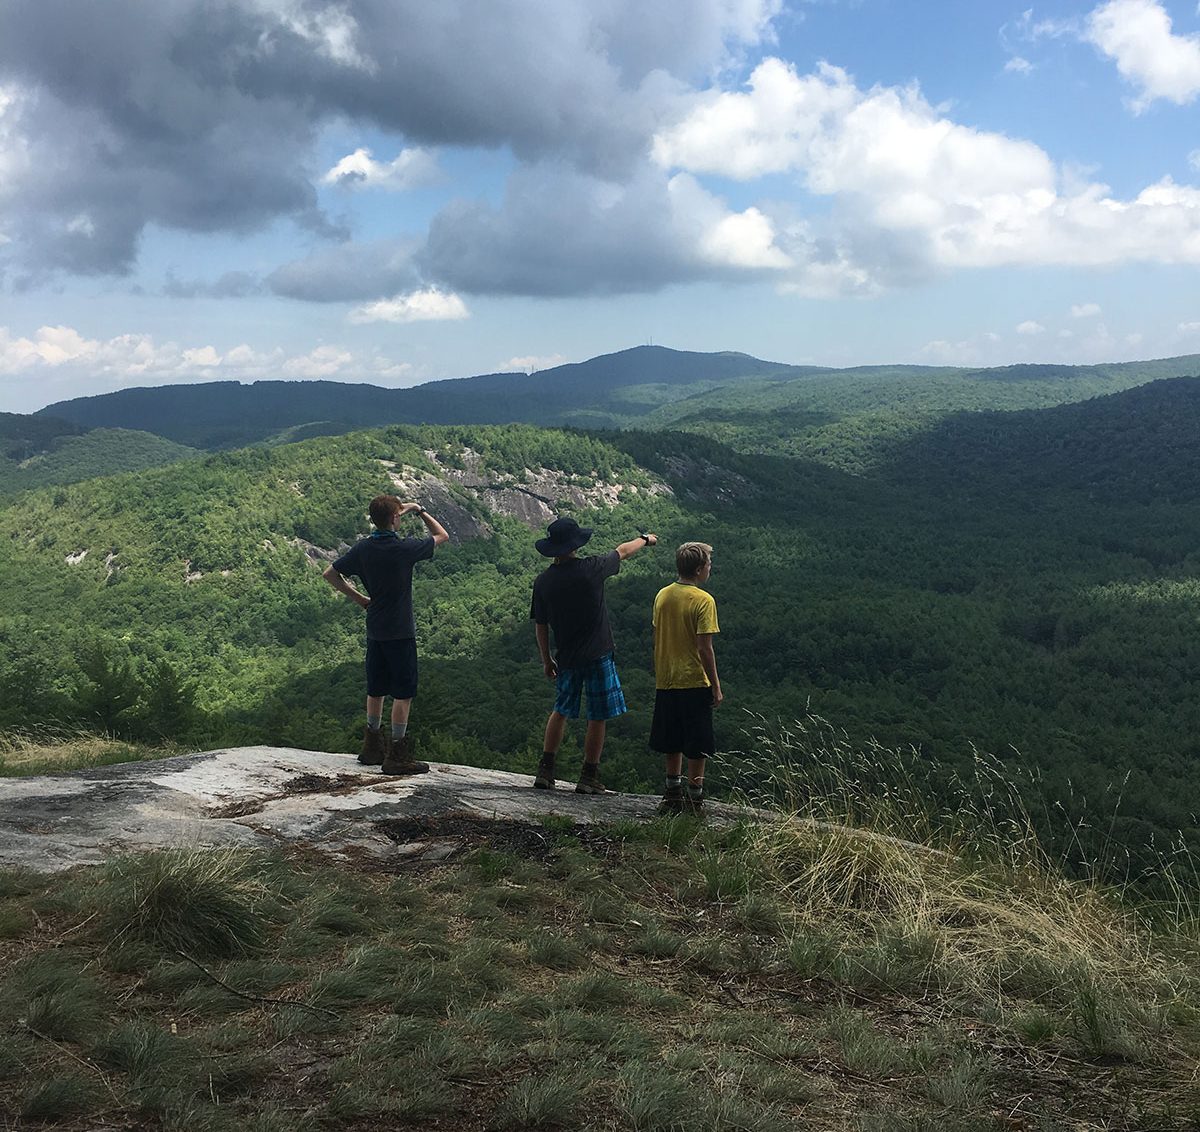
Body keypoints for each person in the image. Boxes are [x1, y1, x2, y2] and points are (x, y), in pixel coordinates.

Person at [323, 495, 449, 775]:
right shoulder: (403, 548)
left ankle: (371, 747)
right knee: (403, 692)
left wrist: (360, 599)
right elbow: (442, 535)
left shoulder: (363, 549)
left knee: (376, 688)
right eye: (399, 515)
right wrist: (419, 510)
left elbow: (330, 574)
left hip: (376, 627)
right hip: (400, 630)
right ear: (395, 518)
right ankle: (397, 754)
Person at [530, 516, 657, 794]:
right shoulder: (592, 568)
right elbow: (622, 551)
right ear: (576, 545)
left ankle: (545, 769)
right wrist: (645, 540)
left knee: (560, 710)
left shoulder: (543, 582)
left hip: (567, 657)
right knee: (597, 715)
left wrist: (546, 659)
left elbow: (540, 625)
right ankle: (588, 776)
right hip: (598, 653)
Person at [650, 541, 721, 815]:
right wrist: (715, 686)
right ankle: (695, 798)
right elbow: (705, 648)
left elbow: (657, 637)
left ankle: (671, 794)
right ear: (700, 569)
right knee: (697, 742)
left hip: (666, 678)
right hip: (693, 679)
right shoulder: (704, 601)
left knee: (672, 738)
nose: (710, 569)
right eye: (709, 565)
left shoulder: (662, 595)